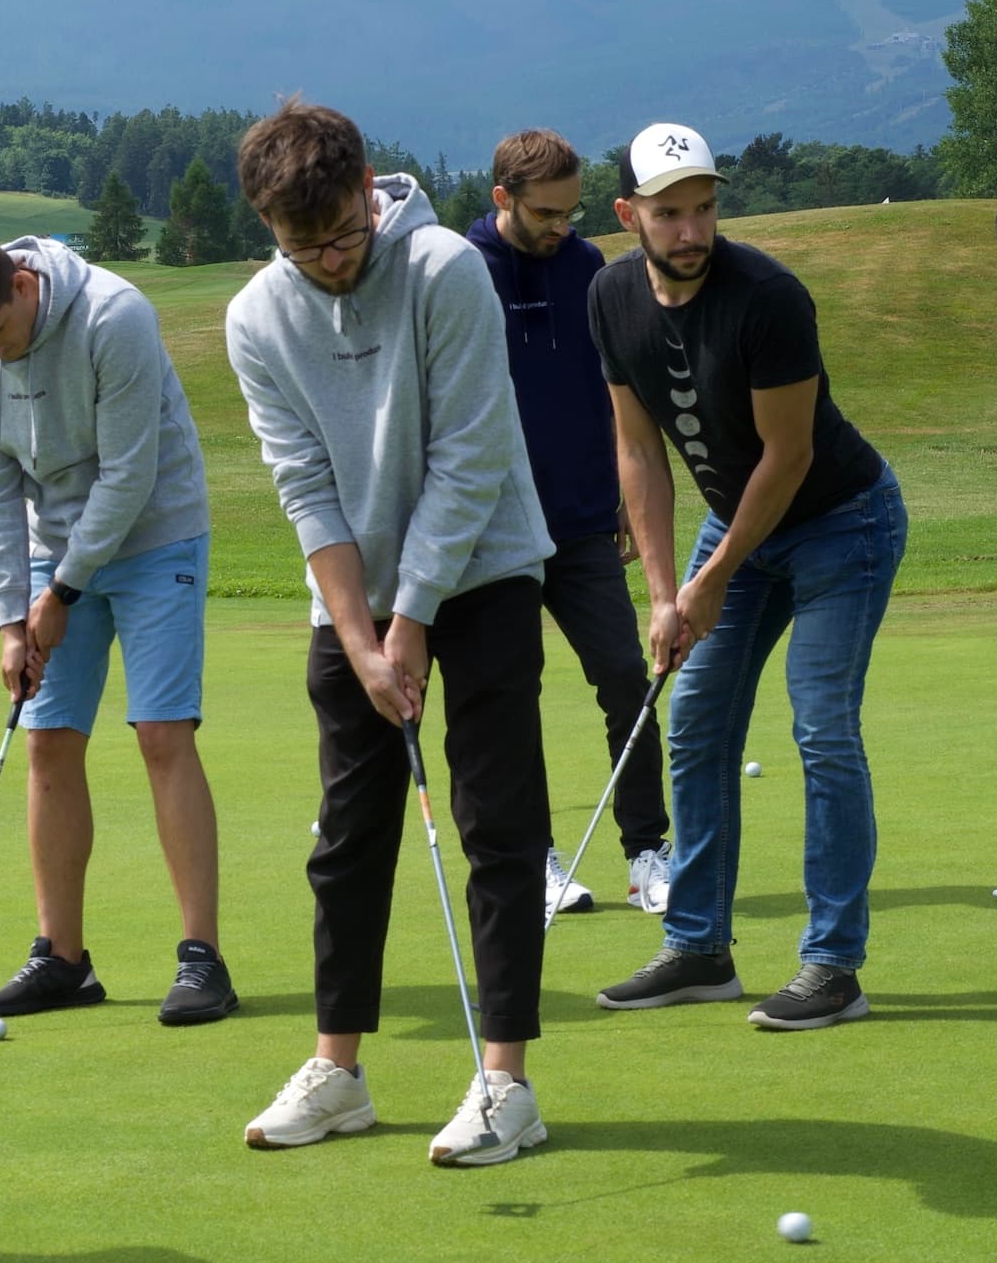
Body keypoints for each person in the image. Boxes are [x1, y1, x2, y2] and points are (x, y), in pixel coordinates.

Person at [222, 99, 558, 1166]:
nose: (327, 261)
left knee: (499, 823)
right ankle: (341, 1072)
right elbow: (305, 486)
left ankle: (506, 1083)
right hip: (355, 599)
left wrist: (410, 620)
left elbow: (469, 459)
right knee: (347, 837)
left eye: (342, 237)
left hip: (488, 567)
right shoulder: (255, 317)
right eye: (300, 245)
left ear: (371, 189)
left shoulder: (446, 270)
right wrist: (362, 634)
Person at [590, 122, 907, 1030]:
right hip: (739, 527)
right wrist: (662, 592)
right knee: (693, 723)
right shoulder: (611, 297)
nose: (691, 231)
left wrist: (715, 577)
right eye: (669, 214)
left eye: (704, 209)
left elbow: (790, 453)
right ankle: (698, 948)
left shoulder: (767, 295)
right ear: (630, 215)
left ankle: (833, 966)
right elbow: (639, 451)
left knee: (822, 728)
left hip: (842, 523)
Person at [0, 231, 239, 1025]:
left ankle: (203, 961)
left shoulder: (114, 316)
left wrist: (60, 591)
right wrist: (8, 618)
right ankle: (63, 959)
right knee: (47, 736)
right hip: (50, 546)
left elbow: (130, 472)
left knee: (162, 732)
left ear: (22, 286)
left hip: (157, 528)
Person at [464, 128, 672, 919]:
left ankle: (647, 850)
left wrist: (626, 490)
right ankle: (536, 860)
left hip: (585, 520)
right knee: (512, 698)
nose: (563, 225)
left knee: (626, 676)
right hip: (496, 530)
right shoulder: (463, 271)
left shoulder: (588, 266)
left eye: (571, 209)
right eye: (546, 212)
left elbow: (616, 392)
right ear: (502, 199)